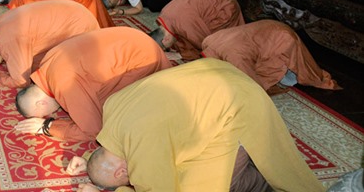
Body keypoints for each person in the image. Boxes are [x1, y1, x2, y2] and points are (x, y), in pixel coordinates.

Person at [73, 58, 324, 192]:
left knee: (205, 186)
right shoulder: (112, 108)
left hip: (236, 105)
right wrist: (89, 163)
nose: (132, 180)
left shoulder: (143, 148)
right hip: (217, 70)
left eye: (127, 180)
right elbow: (106, 157)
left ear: (121, 172)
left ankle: (262, 179)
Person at [14, 27, 171, 142]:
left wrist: (47, 126)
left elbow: (93, 130)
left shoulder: (64, 85)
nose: (50, 114)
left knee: (110, 114)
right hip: (136, 37)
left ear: (41, 103)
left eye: (43, 114)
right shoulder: (46, 63)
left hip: (144, 57)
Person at [0, 0, 100, 88]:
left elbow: (21, 81)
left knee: (47, 78)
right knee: (34, 67)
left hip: (82, 30)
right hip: (76, 11)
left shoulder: (8, 41)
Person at [201, 19, 341, 95]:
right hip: (266, 31)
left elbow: (251, 86)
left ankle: (311, 76)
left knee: (294, 76)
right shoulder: (207, 42)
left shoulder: (235, 57)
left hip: (280, 38)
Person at [149, 0, 245, 61]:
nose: (168, 48)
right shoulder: (164, 13)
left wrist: (180, 55)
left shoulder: (183, 24)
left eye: (166, 47)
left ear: (165, 40)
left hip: (225, 7)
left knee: (213, 45)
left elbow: (202, 42)